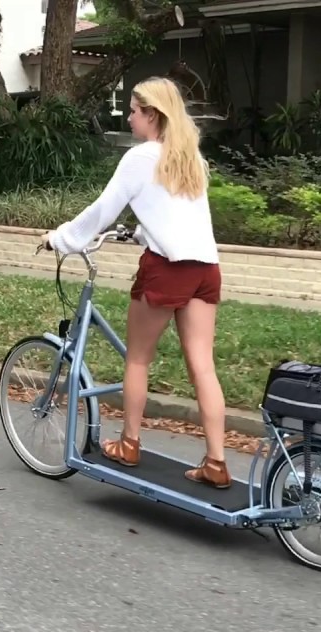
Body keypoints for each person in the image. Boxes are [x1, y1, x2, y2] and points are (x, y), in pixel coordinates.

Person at [41, 76, 229, 489]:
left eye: (133, 110)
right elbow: (179, 215)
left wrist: (61, 239)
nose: (128, 117)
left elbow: (102, 210)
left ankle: (129, 443)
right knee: (203, 367)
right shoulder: (191, 158)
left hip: (167, 269)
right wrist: (143, 232)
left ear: (152, 115)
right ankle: (216, 461)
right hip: (205, 269)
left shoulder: (141, 157)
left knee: (138, 359)